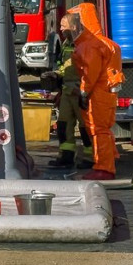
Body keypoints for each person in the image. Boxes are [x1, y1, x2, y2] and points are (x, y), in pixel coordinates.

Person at [67, 3, 122, 180]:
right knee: (104, 129)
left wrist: (83, 92)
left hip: (97, 93)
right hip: (105, 91)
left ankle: (104, 168)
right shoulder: (104, 43)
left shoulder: (90, 45)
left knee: (98, 130)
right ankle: (109, 160)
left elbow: (90, 73)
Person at [44, 15, 93, 168]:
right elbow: (64, 66)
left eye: (63, 25)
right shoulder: (66, 43)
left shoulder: (85, 44)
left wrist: (84, 91)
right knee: (64, 125)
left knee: (86, 127)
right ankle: (66, 157)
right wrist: (56, 75)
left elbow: (90, 69)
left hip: (80, 91)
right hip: (67, 91)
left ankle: (90, 158)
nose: (60, 28)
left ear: (73, 26)